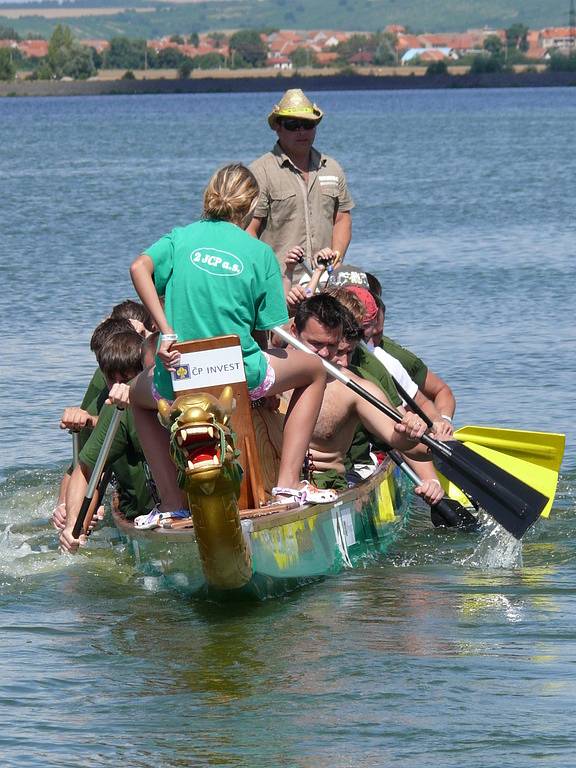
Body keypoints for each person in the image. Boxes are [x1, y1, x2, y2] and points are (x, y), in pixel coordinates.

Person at [126, 162, 332, 508]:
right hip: (238, 372)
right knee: (314, 371)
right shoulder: (259, 252)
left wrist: (166, 332)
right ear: (251, 205)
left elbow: (138, 268)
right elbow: (268, 330)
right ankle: (288, 483)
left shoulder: (179, 239)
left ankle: (173, 503)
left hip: (179, 374)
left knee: (136, 397)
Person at [289, 295, 437, 499]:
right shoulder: (270, 376)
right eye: (315, 344)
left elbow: (400, 441)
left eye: (331, 346)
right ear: (294, 333)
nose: (323, 354)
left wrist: (409, 433)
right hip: (272, 489)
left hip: (325, 488)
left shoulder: (356, 387)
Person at [60, 330, 156, 554]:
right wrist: (74, 528)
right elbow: (85, 470)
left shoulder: (160, 393)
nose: (117, 388)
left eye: (126, 379)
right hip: (136, 511)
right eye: (111, 379)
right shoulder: (112, 406)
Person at [247, 89, 354, 278]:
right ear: (278, 127)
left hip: (324, 285)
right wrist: (269, 279)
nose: (301, 131)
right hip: (281, 285)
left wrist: (335, 265)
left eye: (307, 124)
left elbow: (342, 218)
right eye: (292, 125)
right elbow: (249, 231)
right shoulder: (260, 172)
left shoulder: (332, 168)